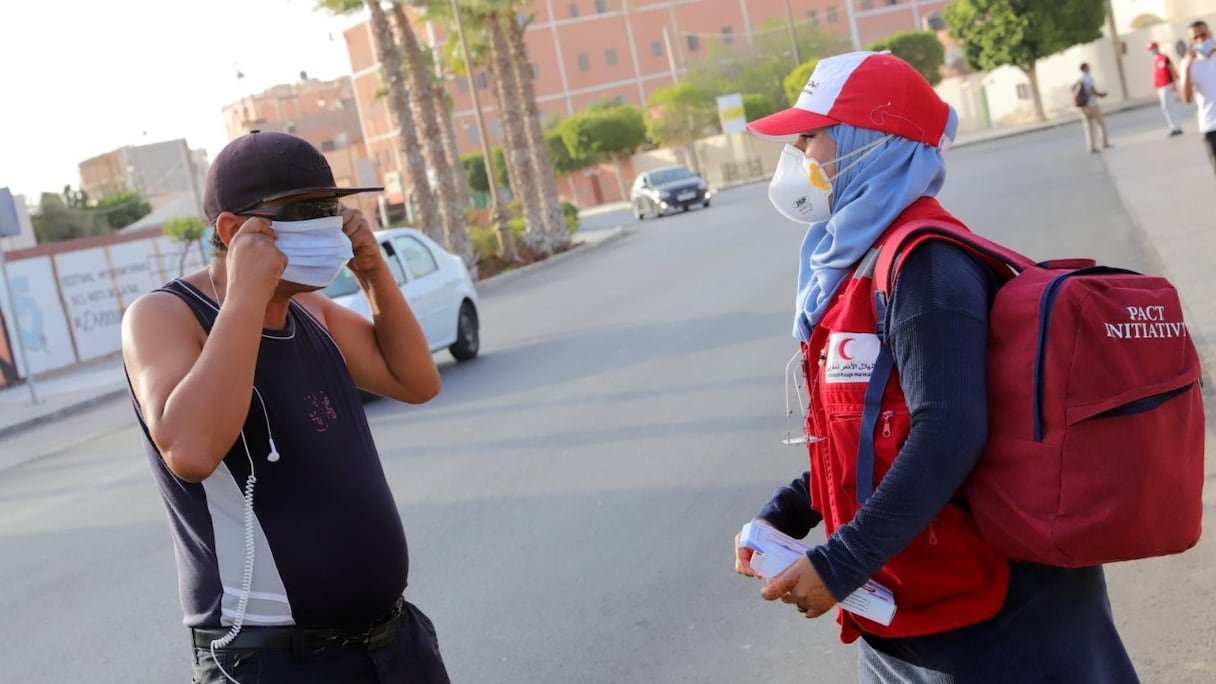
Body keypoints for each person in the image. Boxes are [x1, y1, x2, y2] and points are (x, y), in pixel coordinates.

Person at [733, 51, 1139, 683]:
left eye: (811, 135)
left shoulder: (926, 269)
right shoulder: (858, 263)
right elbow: (870, 436)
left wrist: (839, 564)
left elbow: (948, 432)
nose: (797, 154)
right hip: (907, 607)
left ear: (868, 142)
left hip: (994, 622)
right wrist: (787, 512)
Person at [121, 130, 451, 684]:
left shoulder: (311, 311)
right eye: (305, 212)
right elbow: (190, 450)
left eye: (331, 209)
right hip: (272, 659)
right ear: (233, 231)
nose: (328, 225)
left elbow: (415, 380)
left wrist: (374, 272)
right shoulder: (164, 316)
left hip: (392, 645)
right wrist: (247, 292)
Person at [1180, 20, 1216, 174]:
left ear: (1210, 34)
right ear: (1191, 42)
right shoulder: (1188, 64)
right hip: (1210, 127)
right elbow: (1186, 99)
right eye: (1196, 38)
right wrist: (1188, 68)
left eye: (1204, 35)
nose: (1201, 39)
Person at [1147, 41, 1184, 136]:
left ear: (1156, 48)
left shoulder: (1164, 58)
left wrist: (1174, 84)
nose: (1151, 51)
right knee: (1166, 107)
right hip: (1160, 87)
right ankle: (1174, 127)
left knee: (1169, 107)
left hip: (1167, 85)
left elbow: (1172, 70)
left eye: (1152, 49)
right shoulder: (1155, 60)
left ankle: (1176, 127)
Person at [1073, 62, 1112, 153]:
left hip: (1083, 106)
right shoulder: (1088, 78)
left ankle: (1091, 147)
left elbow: (1073, 90)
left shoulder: (1079, 79)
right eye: (1088, 67)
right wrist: (1101, 94)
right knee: (1101, 123)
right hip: (1092, 104)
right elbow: (1092, 90)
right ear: (1085, 68)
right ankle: (1104, 142)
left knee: (1088, 126)